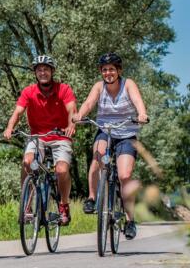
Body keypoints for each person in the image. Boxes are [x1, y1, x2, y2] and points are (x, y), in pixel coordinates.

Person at [73, 52, 148, 240]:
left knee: (125, 176)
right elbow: (89, 103)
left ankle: (130, 220)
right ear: (101, 72)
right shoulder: (99, 87)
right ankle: (91, 198)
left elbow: (138, 100)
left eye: (112, 69)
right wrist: (80, 115)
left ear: (118, 70)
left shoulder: (128, 84)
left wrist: (142, 114)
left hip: (126, 134)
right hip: (105, 131)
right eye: (105, 70)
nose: (108, 73)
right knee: (97, 158)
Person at [3, 55, 76, 226]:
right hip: (37, 136)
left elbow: (72, 108)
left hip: (60, 136)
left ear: (52, 71)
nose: (42, 72)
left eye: (46, 69)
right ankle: (27, 205)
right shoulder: (29, 91)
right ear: (35, 73)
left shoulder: (63, 89)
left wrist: (71, 124)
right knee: (27, 162)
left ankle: (63, 205)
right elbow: (18, 111)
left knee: (62, 171)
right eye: (39, 70)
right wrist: (9, 127)